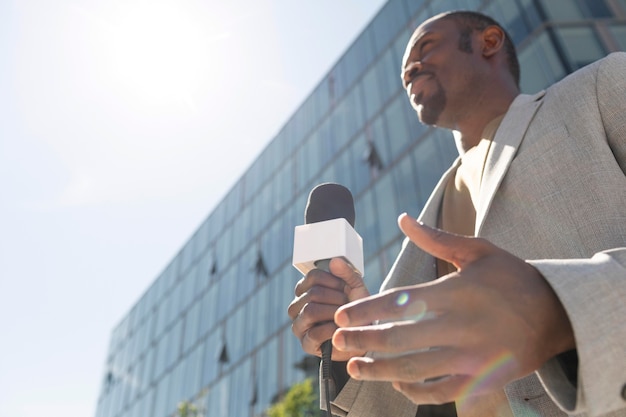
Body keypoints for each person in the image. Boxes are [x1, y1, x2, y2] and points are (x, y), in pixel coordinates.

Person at [288, 10, 626, 417]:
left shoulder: (602, 87)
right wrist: (351, 346)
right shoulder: (426, 223)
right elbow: (408, 398)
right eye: (404, 71)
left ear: (488, 42)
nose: (411, 68)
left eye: (426, 47)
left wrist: (560, 308)